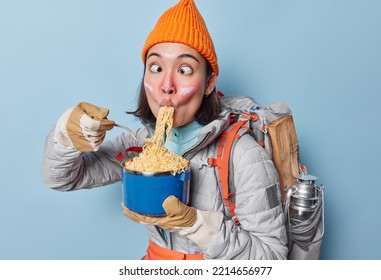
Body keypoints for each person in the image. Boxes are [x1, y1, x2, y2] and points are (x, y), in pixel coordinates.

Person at [42, 0, 288, 260]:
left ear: (208, 83)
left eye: (184, 70)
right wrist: (66, 135)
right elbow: (62, 178)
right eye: (156, 68)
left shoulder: (243, 155)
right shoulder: (143, 146)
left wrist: (198, 225)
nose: (166, 85)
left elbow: (272, 261)